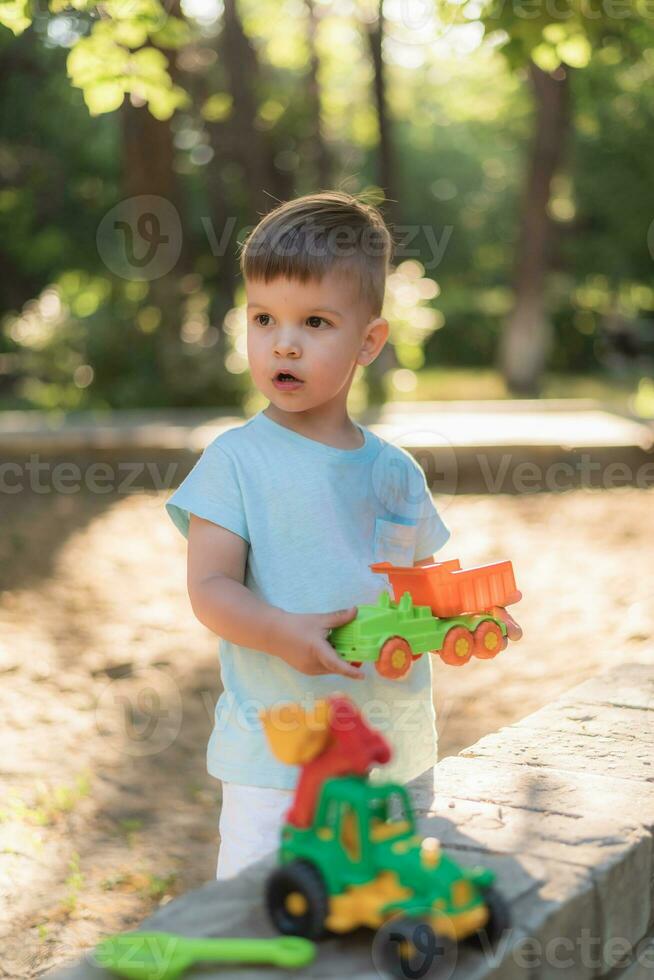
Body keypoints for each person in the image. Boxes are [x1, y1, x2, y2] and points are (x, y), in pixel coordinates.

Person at [165, 191, 451, 881]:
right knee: (263, 918)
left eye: (315, 321)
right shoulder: (235, 461)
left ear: (369, 342)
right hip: (279, 757)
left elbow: (425, 590)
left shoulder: (395, 471)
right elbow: (209, 589)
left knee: (384, 907)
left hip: (393, 751)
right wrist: (283, 632)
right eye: (264, 318)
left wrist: (466, 618)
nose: (283, 342)